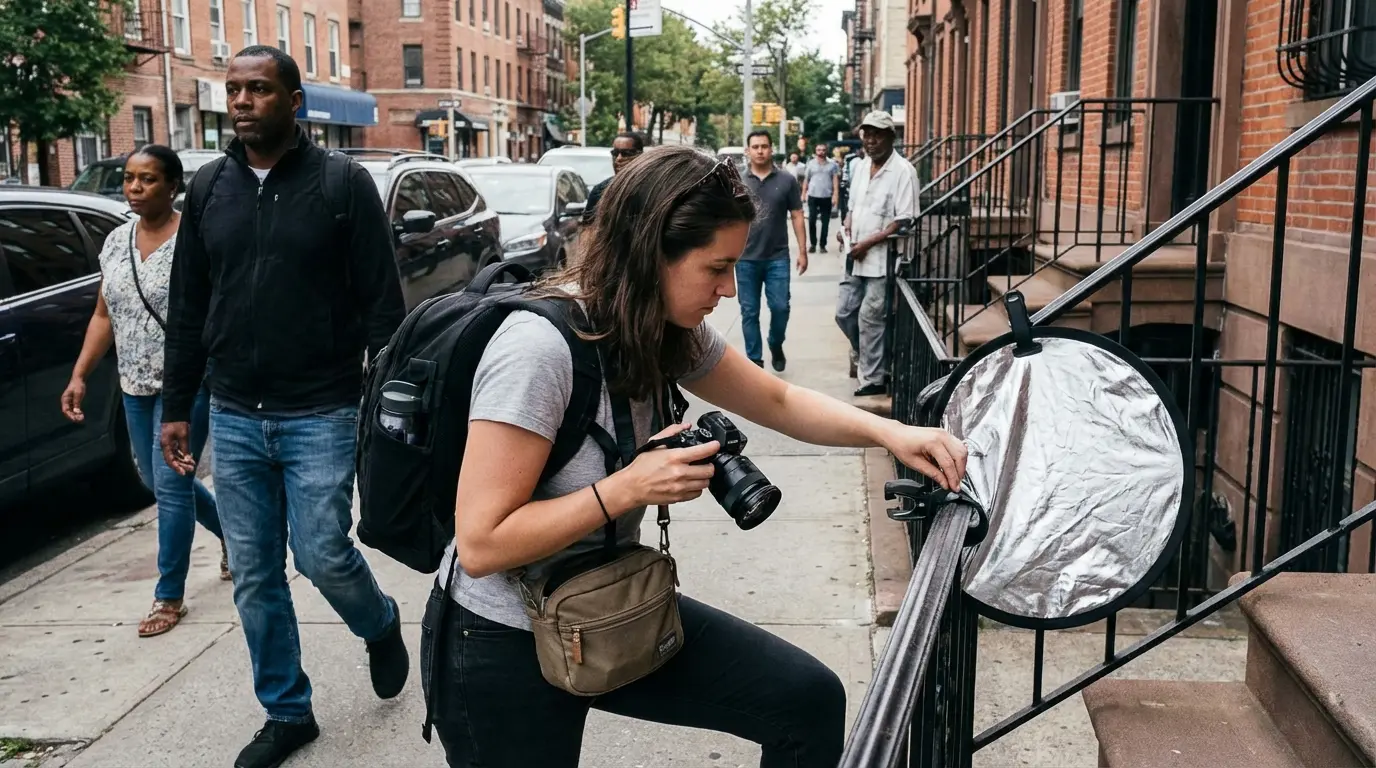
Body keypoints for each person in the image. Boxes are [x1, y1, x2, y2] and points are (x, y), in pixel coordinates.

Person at [419, 145, 968, 767]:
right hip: (502, 639)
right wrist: (627, 488)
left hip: (608, 603)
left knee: (806, 701)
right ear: (652, 253)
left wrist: (893, 434)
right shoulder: (537, 351)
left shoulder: (664, 325)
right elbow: (483, 542)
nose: (730, 290)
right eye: (716, 268)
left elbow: (779, 399)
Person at [159, 46, 409, 768]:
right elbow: (188, 305)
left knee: (324, 552)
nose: (241, 101)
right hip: (235, 411)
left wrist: (388, 409)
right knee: (257, 573)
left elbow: (382, 308)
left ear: (294, 102)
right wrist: (179, 405)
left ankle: (378, 619)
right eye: (234, 89)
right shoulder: (209, 188)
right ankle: (288, 710)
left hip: (322, 409)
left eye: (258, 89)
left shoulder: (342, 183)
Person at [60, 145, 227, 639]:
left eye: (148, 179)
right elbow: (103, 314)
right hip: (133, 384)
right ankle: (235, 540)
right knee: (159, 483)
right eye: (130, 179)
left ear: (173, 186)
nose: (135, 188)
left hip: (186, 384)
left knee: (171, 488)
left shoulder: (194, 241)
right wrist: (80, 374)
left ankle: (168, 594)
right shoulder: (115, 242)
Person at [836, 110, 919, 398]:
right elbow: (852, 208)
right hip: (854, 253)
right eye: (867, 134)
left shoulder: (903, 171)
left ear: (891, 137)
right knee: (844, 313)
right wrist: (846, 227)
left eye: (877, 134)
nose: (871, 140)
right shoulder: (860, 167)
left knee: (871, 319)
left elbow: (904, 219)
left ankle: (874, 377)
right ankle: (866, 355)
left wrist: (869, 242)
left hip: (881, 259)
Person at [737, 130, 807, 371]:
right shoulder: (737, 180)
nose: (759, 151)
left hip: (777, 257)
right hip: (744, 258)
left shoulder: (787, 180)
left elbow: (797, 215)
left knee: (780, 307)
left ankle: (776, 344)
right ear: (747, 150)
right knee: (749, 311)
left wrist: (803, 251)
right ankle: (754, 362)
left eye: (764, 146)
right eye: (755, 146)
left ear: (771, 149)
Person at [582, 131, 645, 223]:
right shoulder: (600, 191)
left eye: (626, 153)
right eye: (615, 153)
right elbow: (588, 228)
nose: (619, 158)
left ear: (640, 156)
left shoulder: (654, 187)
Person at [801, 142, 839, 253]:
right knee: (811, 220)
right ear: (815, 151)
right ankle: (813, 244)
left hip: (826, 196)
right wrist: (803, 193)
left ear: (826, 151)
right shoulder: (810, 164)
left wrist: (835, 195)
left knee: (825, 222)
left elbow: (835, 181)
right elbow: (806, 180)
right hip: (813, 196)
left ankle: (823, 245)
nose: (821, 152)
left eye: (823, 150)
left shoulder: (832, 165)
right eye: (818, 150)